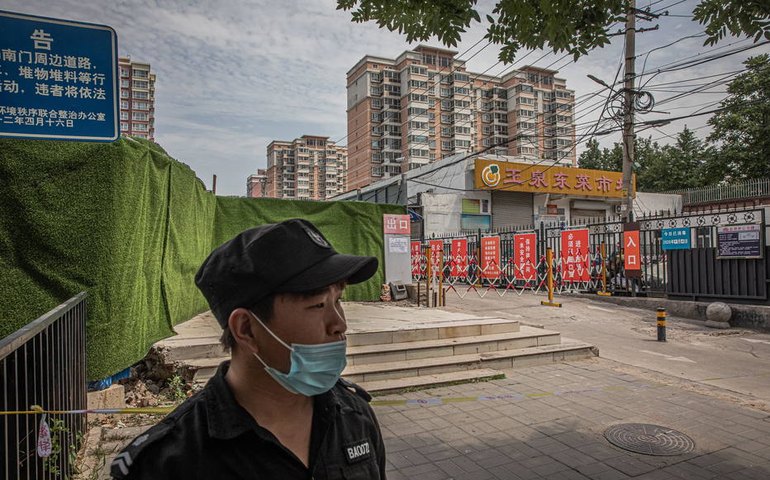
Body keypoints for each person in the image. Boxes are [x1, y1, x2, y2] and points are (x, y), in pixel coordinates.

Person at [111, 218, 387, 479]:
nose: (339, 324)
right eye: (318, 305)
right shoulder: (169, 463)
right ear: (246, 329)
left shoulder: (355, 416)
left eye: (338, 300)